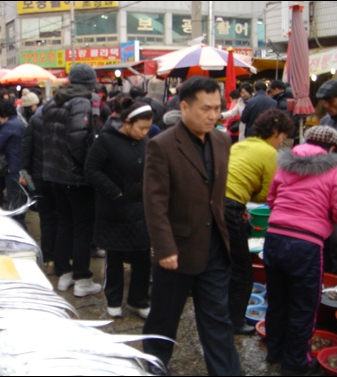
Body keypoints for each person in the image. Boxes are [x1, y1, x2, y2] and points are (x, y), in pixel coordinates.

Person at [142, 76, 240, 375]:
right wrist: (164, 247)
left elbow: (215, 192)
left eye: (217, 108)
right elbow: (154, 201)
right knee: (164, 319)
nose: (213, 115)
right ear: (184, 107)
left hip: (214, 247)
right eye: (205, 108)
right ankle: (154, 366)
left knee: (217, 320)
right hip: (177, 250)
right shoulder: (162, 145)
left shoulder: (223, 140)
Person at [263, 126, 337, 375]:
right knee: (303, 307)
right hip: (306, 245)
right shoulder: (334, 169)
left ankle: (275, 351)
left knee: (277, 300)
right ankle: (296, 364)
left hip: (274, 238)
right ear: (332, 148)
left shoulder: (286, 165)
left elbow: (271, 199)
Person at [225, 108, 295, 335]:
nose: (281, 142)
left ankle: (219, 312)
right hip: (230, 208)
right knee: (243, 272)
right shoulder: (270, 154)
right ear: (276, 132)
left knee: (223, 263)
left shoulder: (240, 145)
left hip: (214, 203)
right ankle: (234, 322)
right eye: (283, 137)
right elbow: (267, 194)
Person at [85, 100, 153, 319]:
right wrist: (114, 192)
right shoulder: (106, 140)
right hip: (115, 209)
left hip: (141, 209)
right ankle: (114, 300)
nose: (144, 133)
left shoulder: (145, 142)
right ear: (127, 122)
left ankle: (138, 300)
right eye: (141, 128)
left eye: (147, 129)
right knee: (114, 258)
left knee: (143, 257)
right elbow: (91, 170)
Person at [42, 63, 101, 297]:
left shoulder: (53, 102)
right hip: (76, 176)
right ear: (89, 84)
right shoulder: (82, 102)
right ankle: (82, 278)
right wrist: (88, 167)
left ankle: (64, 273)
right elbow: (79, 141)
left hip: (54, 173)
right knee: (82, 228)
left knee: (64, 223)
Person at [20, 92, 58, 267]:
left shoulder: (35, 121)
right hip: (61, 178)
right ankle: (61, 260)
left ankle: (49, 258)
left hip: (40, 177)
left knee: (46, 217)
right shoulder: (64, 120)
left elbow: (26, 154)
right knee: (62, 218)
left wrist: (26, 178)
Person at [316, 78, 337, 274]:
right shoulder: (325, 122)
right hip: (325, 192)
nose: (327, 105)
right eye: (325, 101)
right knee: (327, 242)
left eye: (331, 100)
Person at [0, 100, 27, 228]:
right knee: (21, 200)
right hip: (23, 168)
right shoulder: (20, 123)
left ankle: (20, 232)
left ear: (1, 114)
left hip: (13, 168)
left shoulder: (8, 126)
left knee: (14, 204)